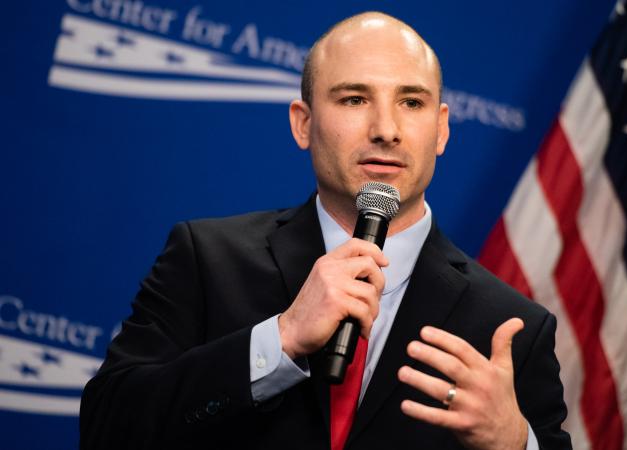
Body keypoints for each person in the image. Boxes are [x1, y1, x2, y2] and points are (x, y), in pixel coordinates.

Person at [79, 11, 571, 450]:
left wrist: (513, 443)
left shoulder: (513, 329)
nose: (386, 129)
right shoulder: (206, 259)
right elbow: (107, 428)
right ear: (303, 124)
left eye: (412, 103)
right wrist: (282, 338)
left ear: (441, 130)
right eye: (355, 99)